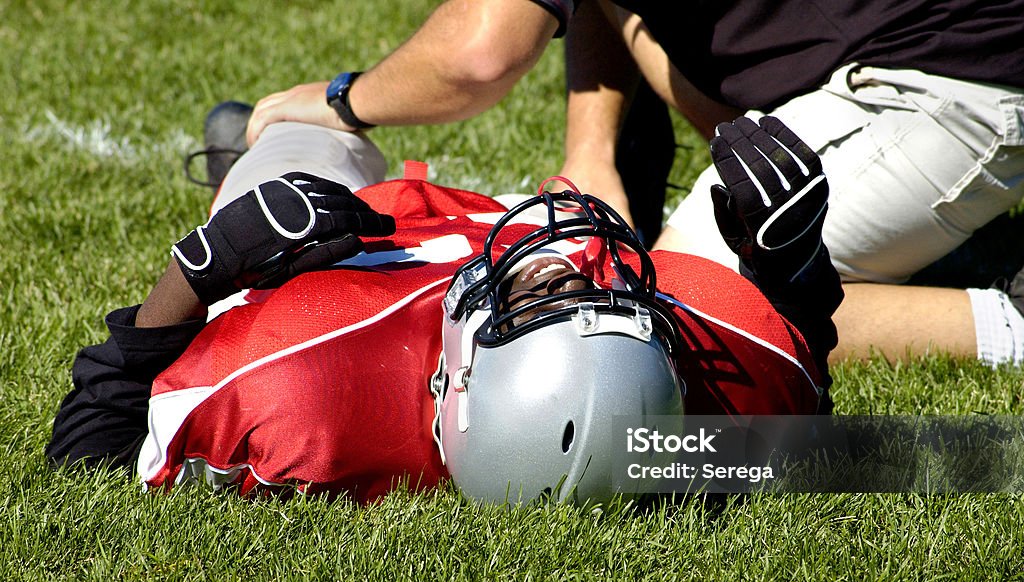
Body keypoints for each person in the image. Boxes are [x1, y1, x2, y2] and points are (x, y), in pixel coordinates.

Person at [48, 116, 841, 503]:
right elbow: (798, 371)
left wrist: (204, 263)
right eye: (595, 296)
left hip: (352, 232)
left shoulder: (299, 384)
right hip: (511, 218)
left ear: (457, 386)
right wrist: (795, 260)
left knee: (308, 145)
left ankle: (262, 133)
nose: (572, 273)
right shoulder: (670, 374)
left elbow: (87, 451)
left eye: (537, 298)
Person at [238, 0, 1024, 368]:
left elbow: (477, 52)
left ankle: (1008, 323)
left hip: (945, 77)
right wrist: (593, 153)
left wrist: (341, 99)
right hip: (900, 62)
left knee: (691, 304)